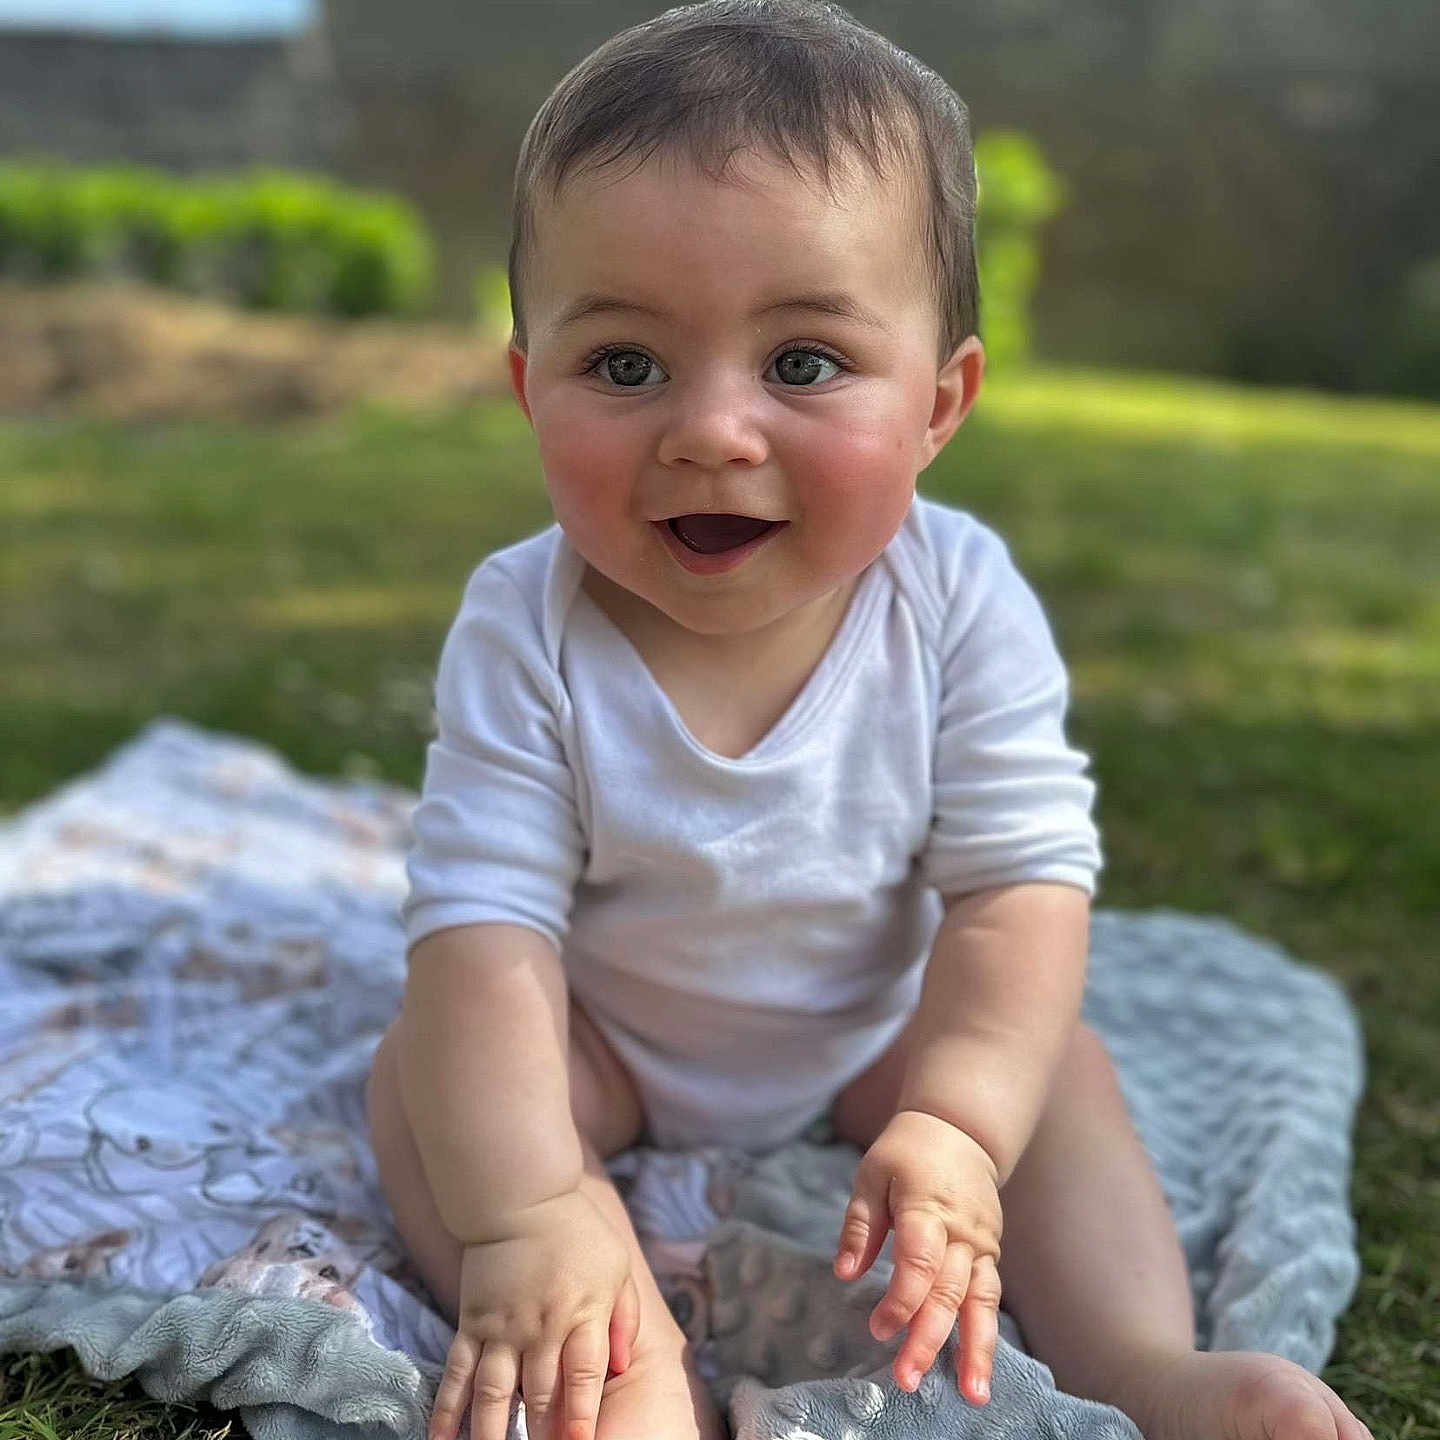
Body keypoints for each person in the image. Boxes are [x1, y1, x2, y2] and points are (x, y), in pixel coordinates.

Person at [365, 5, 1374, 1440]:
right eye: (628, 367)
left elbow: (1017, 885)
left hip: (874, 1030)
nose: (712, 430)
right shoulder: (526, 620)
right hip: (611, 1038)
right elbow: (488, 921)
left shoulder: (953, 599)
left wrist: (958, 1121)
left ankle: (1145, 1364)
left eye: (802, 364)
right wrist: (529, 1204)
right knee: (428, 1081)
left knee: (1054, 1072)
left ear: (939, 401)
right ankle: (616, 1354)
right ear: (530, 388)